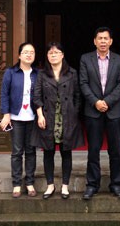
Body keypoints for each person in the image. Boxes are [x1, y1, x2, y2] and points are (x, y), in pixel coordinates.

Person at [79, 26, 120, 200]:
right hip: (93, 111)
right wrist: (96, 102)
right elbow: (83, 83)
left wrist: (107, 102)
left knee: (115, 150)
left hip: (114, 111)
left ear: (111, 41)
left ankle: (116, 184)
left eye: (106, 38)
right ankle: (92, 185)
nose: (103, 41)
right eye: (99, 38)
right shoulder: (85, 59)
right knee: (93, 150)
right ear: (94, 41)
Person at [31, 42, 83, 199]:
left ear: (62, 55)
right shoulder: (42, 74)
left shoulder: (72, 73)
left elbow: (78, 96)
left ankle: (65, 186)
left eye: (56, 52)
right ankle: (50, 185)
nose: (53, 55)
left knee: (66, 152)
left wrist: (74, 112)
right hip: (48, 117)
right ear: (47, 56)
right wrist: (40, 115)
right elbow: (37, 96)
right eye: (50, 53)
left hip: (67, 117)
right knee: (48, 152)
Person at [0, 42, 38, 198]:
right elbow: (4, 93)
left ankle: (29, 182)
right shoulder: (10, 72)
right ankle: (16, 184)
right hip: (16, 118)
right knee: (16, 152)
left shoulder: (38, 74)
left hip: (32, 117)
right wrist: (6, 113)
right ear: (19, 55)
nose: (29, 55)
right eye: (26, 52)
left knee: (31, 151)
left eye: (32, 52)